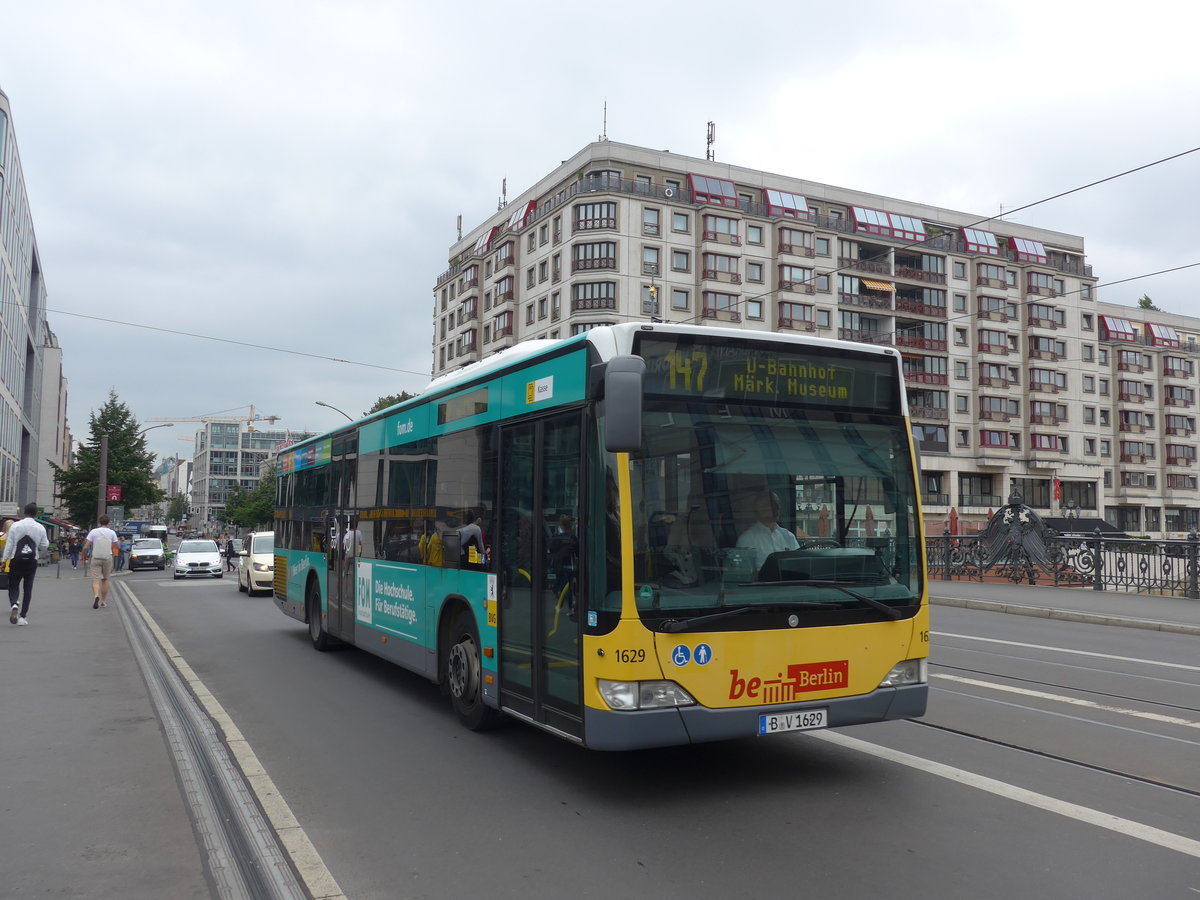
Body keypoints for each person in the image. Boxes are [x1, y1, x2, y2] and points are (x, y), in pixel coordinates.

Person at [5, 503, 49, 626]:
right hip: (31, 560)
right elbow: (44, 546)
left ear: (24, 512)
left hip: (16, 559)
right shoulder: (40, 527)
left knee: (13, 584)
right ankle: (23, 617)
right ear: (36, 514)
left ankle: (14, 604)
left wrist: (4, 559)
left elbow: (9, 544)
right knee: (28, 588)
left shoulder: (15, 526)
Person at [736, 491, 801, 571]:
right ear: (759, 509)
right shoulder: (746, 539)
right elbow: (743, 573)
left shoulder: (788, 536)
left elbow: (799, 565)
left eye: (777, 504)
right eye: (771, 504)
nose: (776, 508)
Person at [83, 514, 119, 609]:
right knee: (105, 579)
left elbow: (86, 546)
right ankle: (103, 601)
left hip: (96, 557)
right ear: (108, 522)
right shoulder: (112, 533)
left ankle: (96, 596)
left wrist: (83, 555)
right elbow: (117, 545)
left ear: (99, 522)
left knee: (95, 580)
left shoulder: (93, 532)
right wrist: (112, 547)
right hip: (107, 557)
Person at [548, 514, 579, 617]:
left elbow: (551, 550)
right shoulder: (573, 538)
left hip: (559, 566)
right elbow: (578, 552)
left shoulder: (556, 538)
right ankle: (565, 605)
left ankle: (567, 606)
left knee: (564, 586)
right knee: (567, 587)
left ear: (561, 526)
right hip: (570, 566)